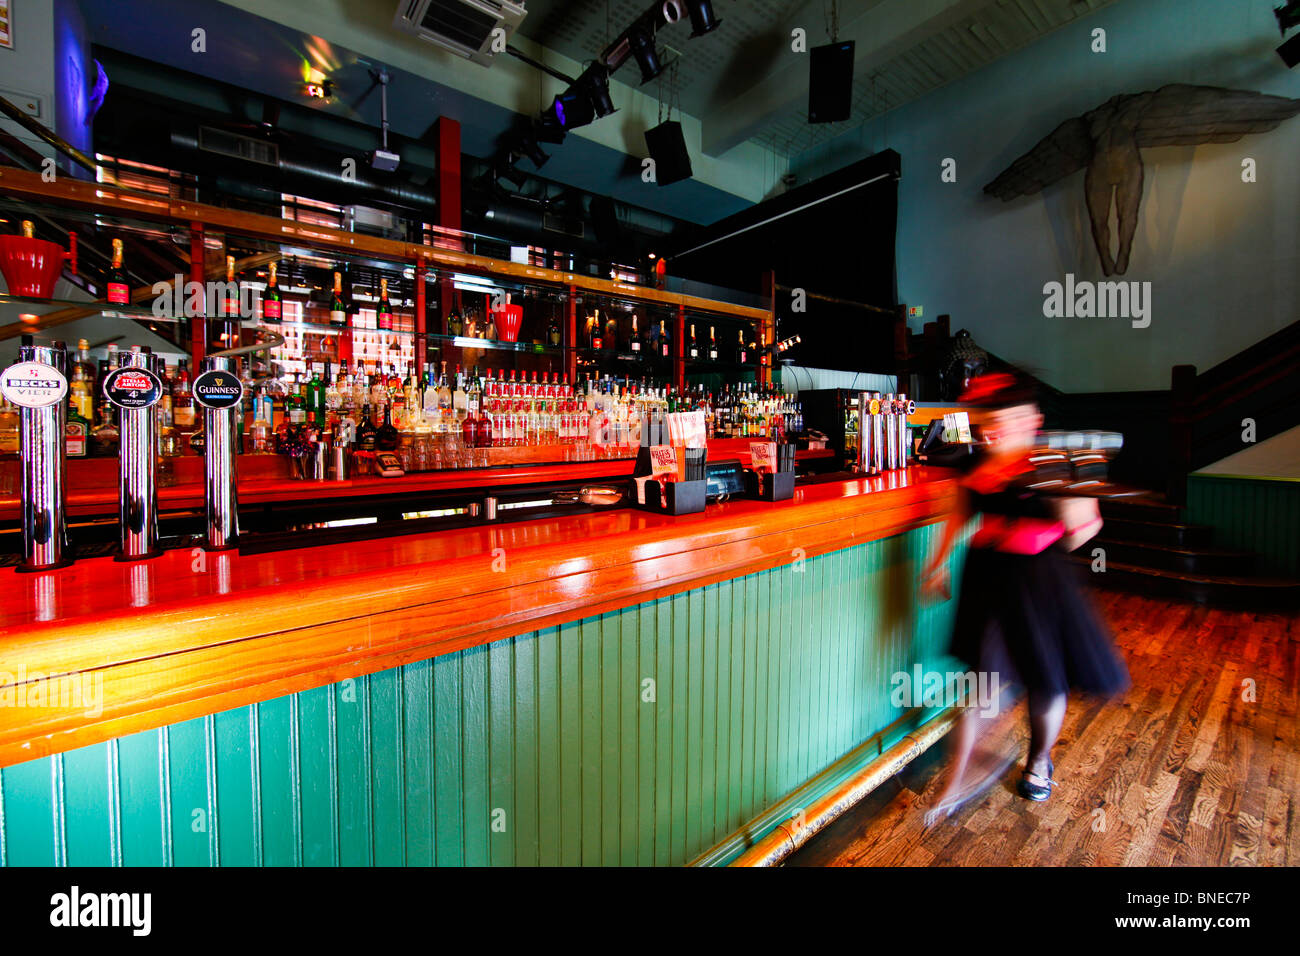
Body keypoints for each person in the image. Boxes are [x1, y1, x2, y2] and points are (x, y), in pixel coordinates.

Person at [920, 371, 1129, 818]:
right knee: (981, 681)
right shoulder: (973, 461)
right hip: (986, 574)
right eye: (987, 422)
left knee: (1045, 680)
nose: (995, 430)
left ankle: (1038, 760)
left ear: (1033, 419)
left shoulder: (1056, 459)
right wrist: (936, 565)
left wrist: (1054, 523)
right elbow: (958, 516)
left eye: (1008, 419)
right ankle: (956, 780)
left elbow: (1089, 526)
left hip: (1040, 579)